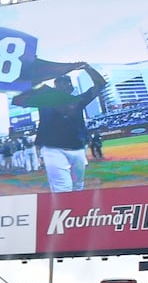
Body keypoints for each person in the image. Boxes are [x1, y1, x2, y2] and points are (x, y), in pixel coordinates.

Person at [25, 65, 105, 193]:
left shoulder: (77, 100)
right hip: (53, 149)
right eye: (61, 84)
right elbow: (31, 80)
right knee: (63, 188)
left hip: (77, 147)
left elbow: (100, 84)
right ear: (55, 88)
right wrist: (36, 64)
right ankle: (63, 212)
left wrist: (88, 68)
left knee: (78, 186)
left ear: (72, 88)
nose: (66, 86)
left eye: (68, 84)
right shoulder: (44, 100)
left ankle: (76, 211)